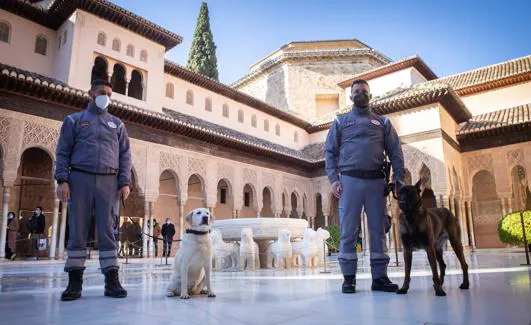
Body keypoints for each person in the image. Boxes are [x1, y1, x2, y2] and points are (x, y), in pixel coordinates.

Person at [325, 79, 405, 294]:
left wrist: (398, 178)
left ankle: (379, 278)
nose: (360, 94)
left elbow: (395, 152)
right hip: (349, 182)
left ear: (370, 96)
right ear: (351, 97)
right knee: (348, 231)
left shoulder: (383, 123)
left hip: (376, 183)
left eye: (364, 91)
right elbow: (330, 152)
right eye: (356, 91)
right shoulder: (341, 122)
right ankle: (349, 278)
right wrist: (334, 179)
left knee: (379, 229)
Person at [55, 79, 132, 301]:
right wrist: (62, 180)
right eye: (101, 92)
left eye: (109, 94)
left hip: (109, 181)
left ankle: (111, 280)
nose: (106, 97)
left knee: (108, 229)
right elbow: (62, 152)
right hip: (80, 177)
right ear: (90, 93)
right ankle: (74, 282)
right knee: (77, 228)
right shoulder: (74, 120)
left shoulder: (117, 124)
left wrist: (124, 182)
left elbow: (125, 155)